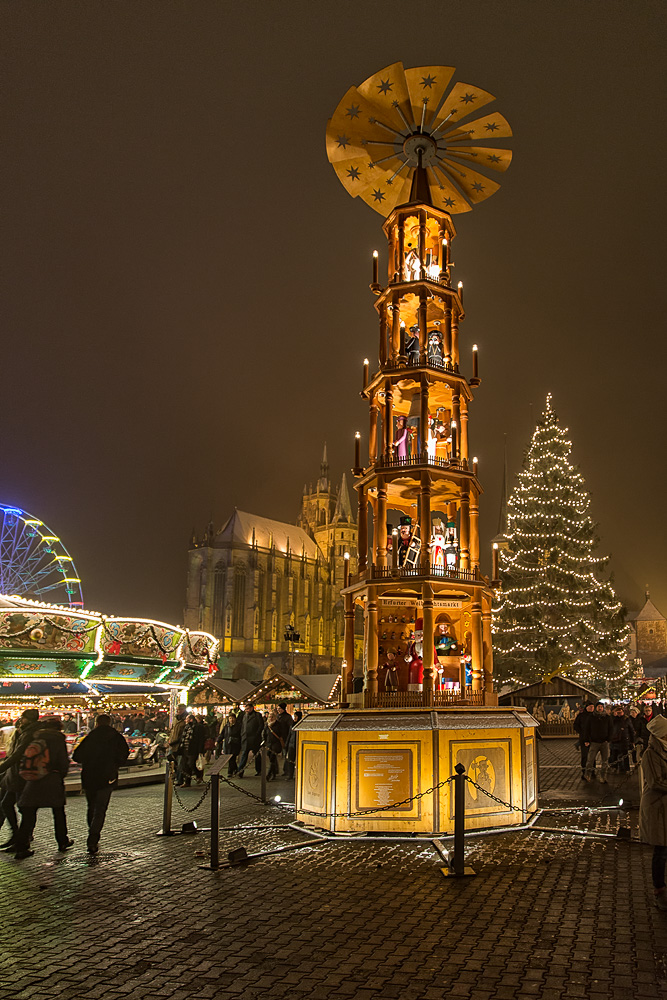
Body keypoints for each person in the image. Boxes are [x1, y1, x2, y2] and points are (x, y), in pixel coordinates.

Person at [14, 718, 72, 859]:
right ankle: (62, 841)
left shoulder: (35, 737)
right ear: (59, 728)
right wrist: (60, 776)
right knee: (58, 812)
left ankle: (21, 847)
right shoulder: (58, 740)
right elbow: (63, 762)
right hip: (51, 779)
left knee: (28, 814)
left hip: (33, 779)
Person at [72, 714, 130, 853]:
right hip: (107, 776)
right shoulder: (116, 737)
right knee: (101, 808)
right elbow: (124, 755)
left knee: (91, 806)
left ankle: (91, 832)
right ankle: (93, 837)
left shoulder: (90, 737)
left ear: (96, 723)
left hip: (89, 776)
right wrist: (114, 764)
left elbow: (77, 756)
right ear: (110, 723)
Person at [0, 709, 41, 851]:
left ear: (28, 719)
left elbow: (18, 754)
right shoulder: (24, 731)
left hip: (23, 775)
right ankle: (19, 837)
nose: (20, 720)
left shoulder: (30, 734)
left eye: (22, 718)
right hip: (16, 775)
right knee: (8, 804)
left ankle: (21, 839)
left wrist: (3, 767)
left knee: (24, 808)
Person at [639, 714, 667, 911]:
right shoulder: (651, 754)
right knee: (661, 850)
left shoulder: (664, 749)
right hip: (657, 806)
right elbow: (656, 781)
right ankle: (659, 889)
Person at [583, 701, 612, 783]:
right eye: (599, 707)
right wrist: (586, 739)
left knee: (605, 761)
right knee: (590, 760)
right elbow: (587, 729)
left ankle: (603, 777)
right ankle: (587, 774)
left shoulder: (607, 717)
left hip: (604, 742)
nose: (600, 708)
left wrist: (609, 738)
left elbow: (611, 728)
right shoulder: (591, 717)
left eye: (601, 707)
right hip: (594, 742)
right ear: (596, 708)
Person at [177, 714, 206, 787]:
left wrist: (200, 750)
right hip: (185, 749)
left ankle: (198, 775)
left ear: (191, 720)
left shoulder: (198, 727)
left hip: (193, 749)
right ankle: (187, 782)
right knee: (185, 766)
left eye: (187, 719)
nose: (185, 720)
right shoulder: (186, 727)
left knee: (191, 764)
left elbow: (200, 739)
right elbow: (182, 738)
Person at [236, 705, 264, 777]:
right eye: (245, 709)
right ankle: (240, 771)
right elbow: (242, 726)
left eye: (248, 709)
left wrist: (257, 735)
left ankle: (259, 770)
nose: (246, 710)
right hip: (245, 738)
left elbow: (261, 726)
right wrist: (242, 734)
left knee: (257, 755)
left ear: (252, 708)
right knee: (244, 755)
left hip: (254, 739)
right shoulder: (244, 716)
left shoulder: (257, 715)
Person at [609, 705, 635, 773]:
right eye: (618, 712)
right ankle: (614, 767)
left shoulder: (626, 719)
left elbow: (631, 730)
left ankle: (626, 769)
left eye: (620, 712)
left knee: (625, 755)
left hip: (624, 740)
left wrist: (632, 740)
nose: (619, 714)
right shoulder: (613, 719)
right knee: (614, 755)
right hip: (615, 740)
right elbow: (609, 726)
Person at [573, 703, 595, 779]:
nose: (592, 708)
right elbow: (576, 725)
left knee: (592, 756)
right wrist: (582, 732)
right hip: (584, 738)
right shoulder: (581, 716)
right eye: (590, 707)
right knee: (585, 756)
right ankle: (584, 772)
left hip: (593, 739)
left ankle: (592, 771)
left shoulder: (595, 716)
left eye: (593, 707)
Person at [167, 704, 187, 779]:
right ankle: (174, 774)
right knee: (170, 758)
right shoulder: (175, 718)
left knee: (180, 762)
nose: (178, 711)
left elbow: (183, 734)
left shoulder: (185, 719)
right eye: (177, 709)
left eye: (180, 709)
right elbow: (172, 730)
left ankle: (180, 778)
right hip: (172, 743)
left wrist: (175, 741)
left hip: (179, 744)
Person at [264, 708, 283, 780]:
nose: (271, 718)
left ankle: (269, 774)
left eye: (272, 717)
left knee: (272, 758)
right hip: (269, 745)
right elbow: (264, 734)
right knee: (272, 759)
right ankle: (274, 773)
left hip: (276, 744)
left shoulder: (278, 725)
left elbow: (281, 734)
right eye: (269, 717)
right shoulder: (267, 725)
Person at [284, 710, 302, 780]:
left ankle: (298, 774)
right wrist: (287, 744)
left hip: (298, 745)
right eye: (294, 716)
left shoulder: (301, 725)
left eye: (296, 716)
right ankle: (290, 775)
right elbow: (289, 735)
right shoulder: (292, 725)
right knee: (290, 760)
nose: (294, 718)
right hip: (292, 745)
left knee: (299, 761)